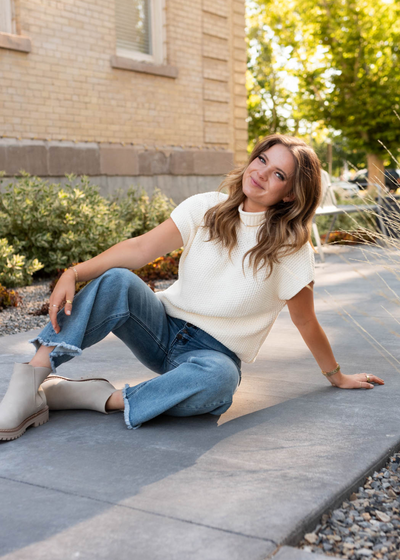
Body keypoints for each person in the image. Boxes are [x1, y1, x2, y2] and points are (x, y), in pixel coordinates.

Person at [0, 134, 384, 441]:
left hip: (212, 355)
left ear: (291, 194)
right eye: (263, 159)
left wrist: (337, 376)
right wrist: (74, 271)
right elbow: (139, 249)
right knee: (116, 280)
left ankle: (93, 397)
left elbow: (306, 322)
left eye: (280, 174)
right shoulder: (207, 208)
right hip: (161, 326)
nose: (263, 173)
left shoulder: (291, 249)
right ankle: (30, 384)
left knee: (219, 384)